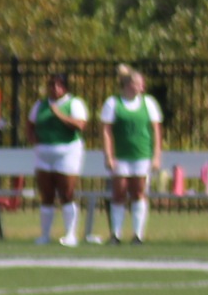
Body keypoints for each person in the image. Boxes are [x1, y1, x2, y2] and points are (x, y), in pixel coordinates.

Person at [98, 67, 162, 244]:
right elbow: (106, 131)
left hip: (141, 155)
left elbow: (156, 131)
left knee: (139, 192)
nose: (142, 87)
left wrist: (156, 156)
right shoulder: (113, 103)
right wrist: (109, 155)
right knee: (119, 192)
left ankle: (138, 234)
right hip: (121, 155)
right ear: (127, 84)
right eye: (138, 83)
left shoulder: (149, 103)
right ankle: (116, 234)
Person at [26, 72, 89, 247]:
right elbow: (30, 124)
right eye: (52, 85)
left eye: (59, 85)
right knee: (46, 194)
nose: (55, 88)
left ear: (65, 87)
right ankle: (44, 234)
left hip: (67, 151)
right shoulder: (40, 104)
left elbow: (80, 125)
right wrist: (32, 138)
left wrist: (59, 114)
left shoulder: (74, 103)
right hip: (44, 152)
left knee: (66, 193)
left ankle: (70, 234)